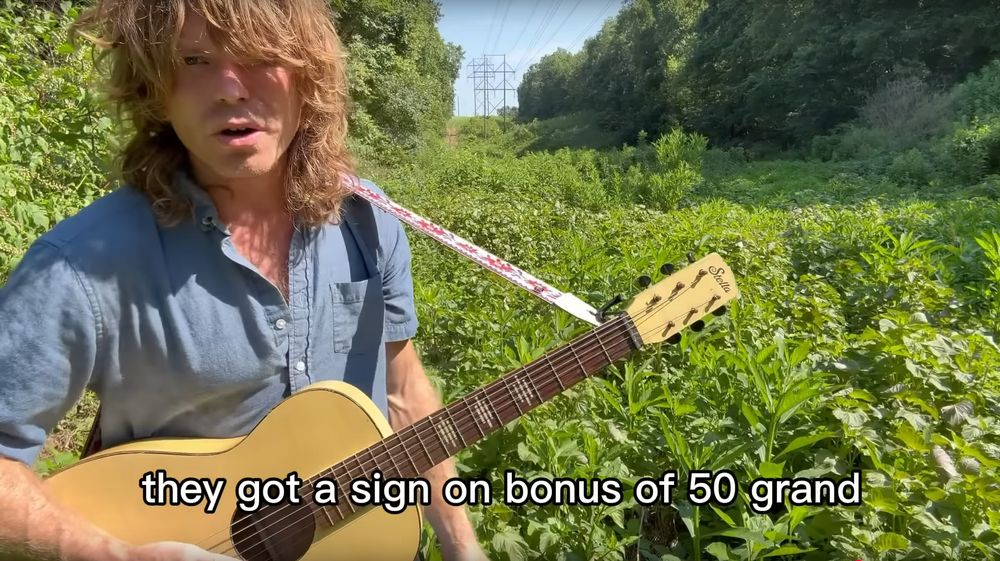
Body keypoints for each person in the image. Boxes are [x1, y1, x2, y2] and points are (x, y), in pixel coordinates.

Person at [0, 1, 487, 560]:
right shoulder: (80, 264)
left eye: (260, 56)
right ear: (155, 88)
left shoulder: (371, 225)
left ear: (309, 76)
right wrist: (115, 555)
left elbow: (403, 393)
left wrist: (461, 547)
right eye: (194, 59)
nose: (231, 88)